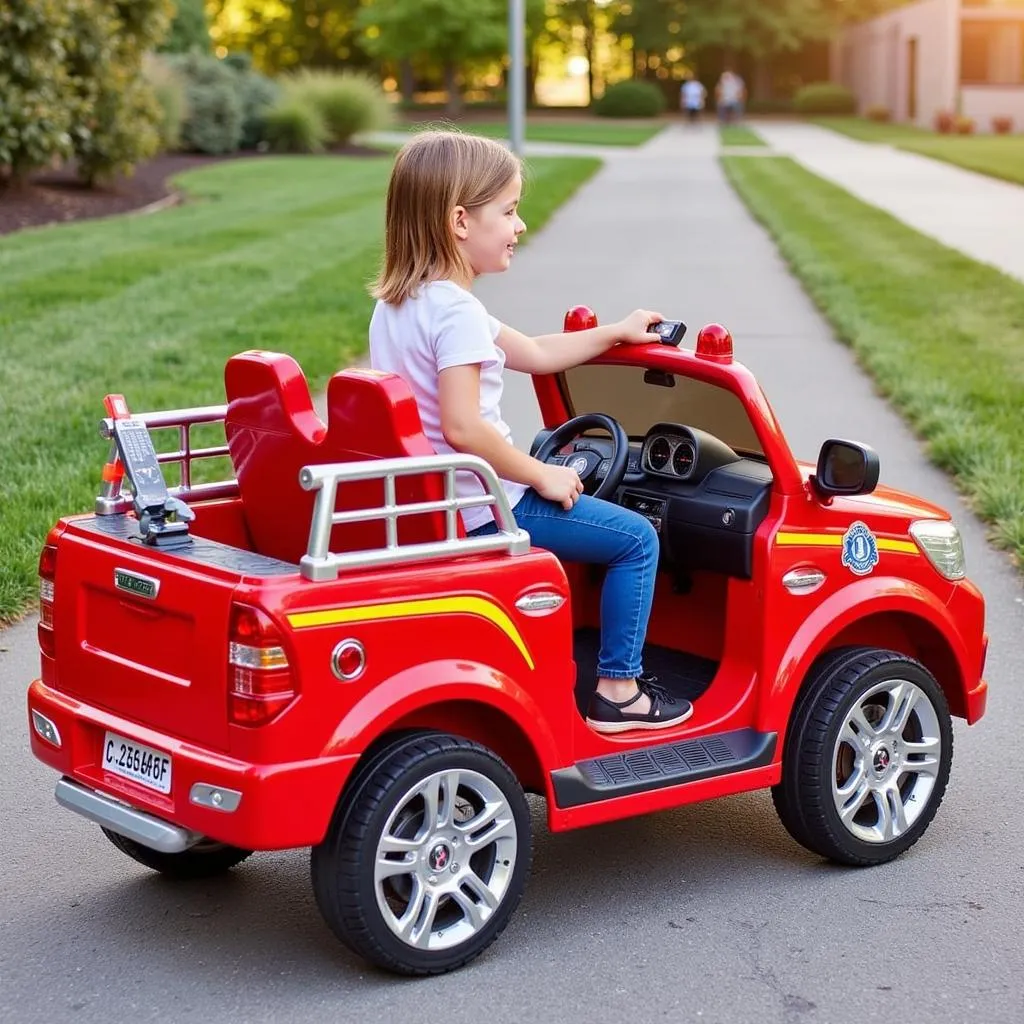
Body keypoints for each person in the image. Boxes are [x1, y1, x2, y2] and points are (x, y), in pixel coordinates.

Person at [367, 130, 693, 734]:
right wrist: (543, 472)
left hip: (436, 502)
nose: (520, 226)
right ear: (459, 221)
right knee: (637, 540)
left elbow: (539, 352)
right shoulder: (457, 313)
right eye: (509, 211)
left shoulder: (404, 304)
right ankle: (619, 690)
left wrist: (617, 332)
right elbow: (464, 427)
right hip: (484, 509)